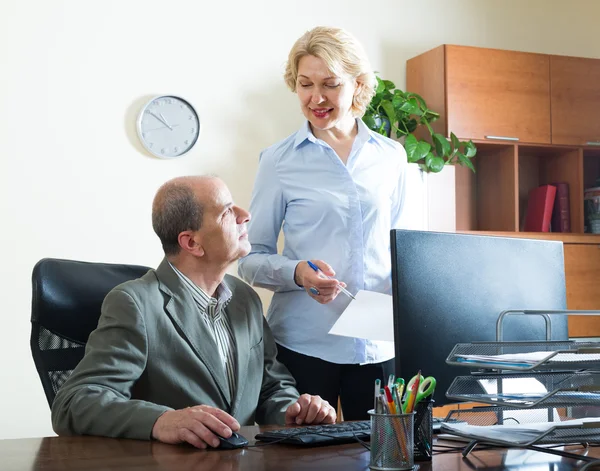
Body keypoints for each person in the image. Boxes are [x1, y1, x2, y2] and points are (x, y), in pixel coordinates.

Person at [52, 175, 336, 449]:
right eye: (227, 212)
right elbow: (74, 402)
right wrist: (161, 421)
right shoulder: (134, 303)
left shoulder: (245, 299)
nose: (245, 214)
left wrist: (294, 410)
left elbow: (272, 386)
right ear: (192, 243)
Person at [237, 26, 408, 420]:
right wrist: (297, 272)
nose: (316, 98)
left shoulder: (391, 157)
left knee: (387, 456)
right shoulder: (278, 161)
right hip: (305, 343)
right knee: (305, 459)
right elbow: (250, 258)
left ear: (358, 85)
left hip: (379, 343)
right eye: (305, 84)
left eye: (330, 84)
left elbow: (405, 248)